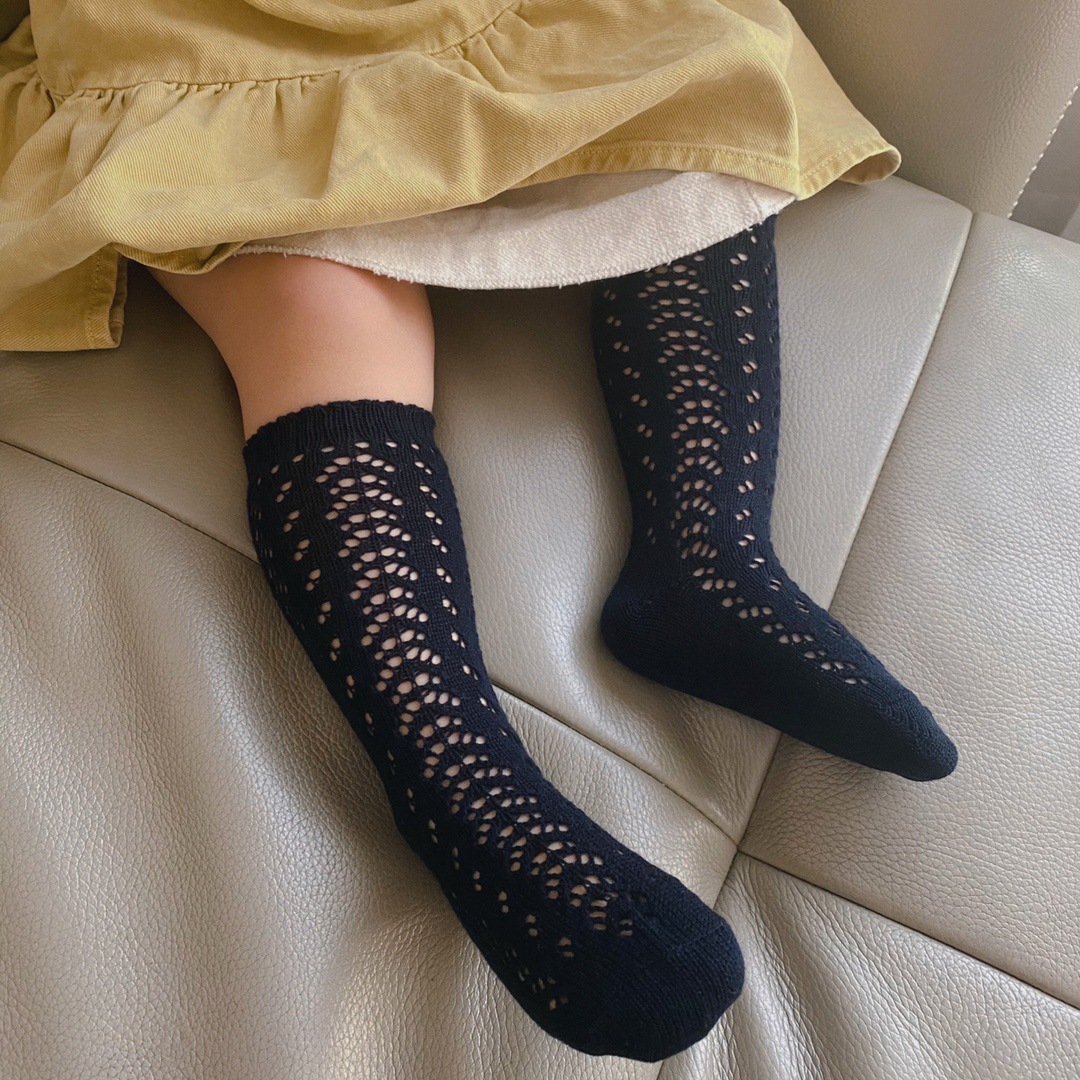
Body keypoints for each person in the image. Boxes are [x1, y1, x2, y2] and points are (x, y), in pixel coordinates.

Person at [0, 0, 958, 1062]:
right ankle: (462, 783)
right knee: (317, 298)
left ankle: (708, 552)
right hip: (195, 39)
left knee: (692, 101)